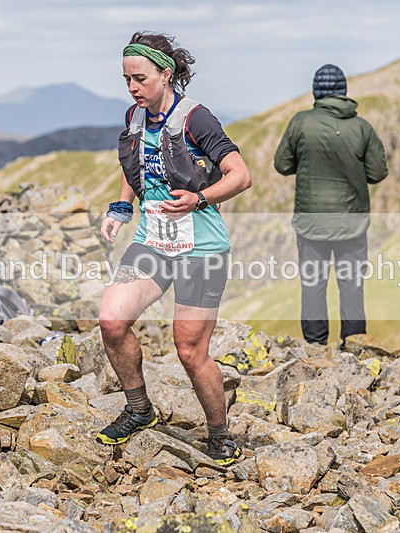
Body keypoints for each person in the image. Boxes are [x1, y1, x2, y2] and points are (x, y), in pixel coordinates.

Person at [96, 32, 251, 466]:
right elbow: (137, 166)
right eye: (127, 79)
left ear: (166, 74)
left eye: (140, 79)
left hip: (201, 248)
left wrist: (200, 198)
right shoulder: (135, 115)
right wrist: (121, 207)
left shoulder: (196, 119)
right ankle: (140, 410)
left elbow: (240, 175)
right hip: (153, 242)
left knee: (189, 350)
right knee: (111, 321)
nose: (132, 88)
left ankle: (219, 436)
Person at [273, 64, 388, 347]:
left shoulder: (300, 122)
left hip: (311, 223)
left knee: (313, 285)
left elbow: (282, 164)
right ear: (344, 91)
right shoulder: (362, 127)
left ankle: (315, 347)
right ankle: (354, 346)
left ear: (316, 92)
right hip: (352, 223)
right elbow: (377, 173)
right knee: (351, 287)